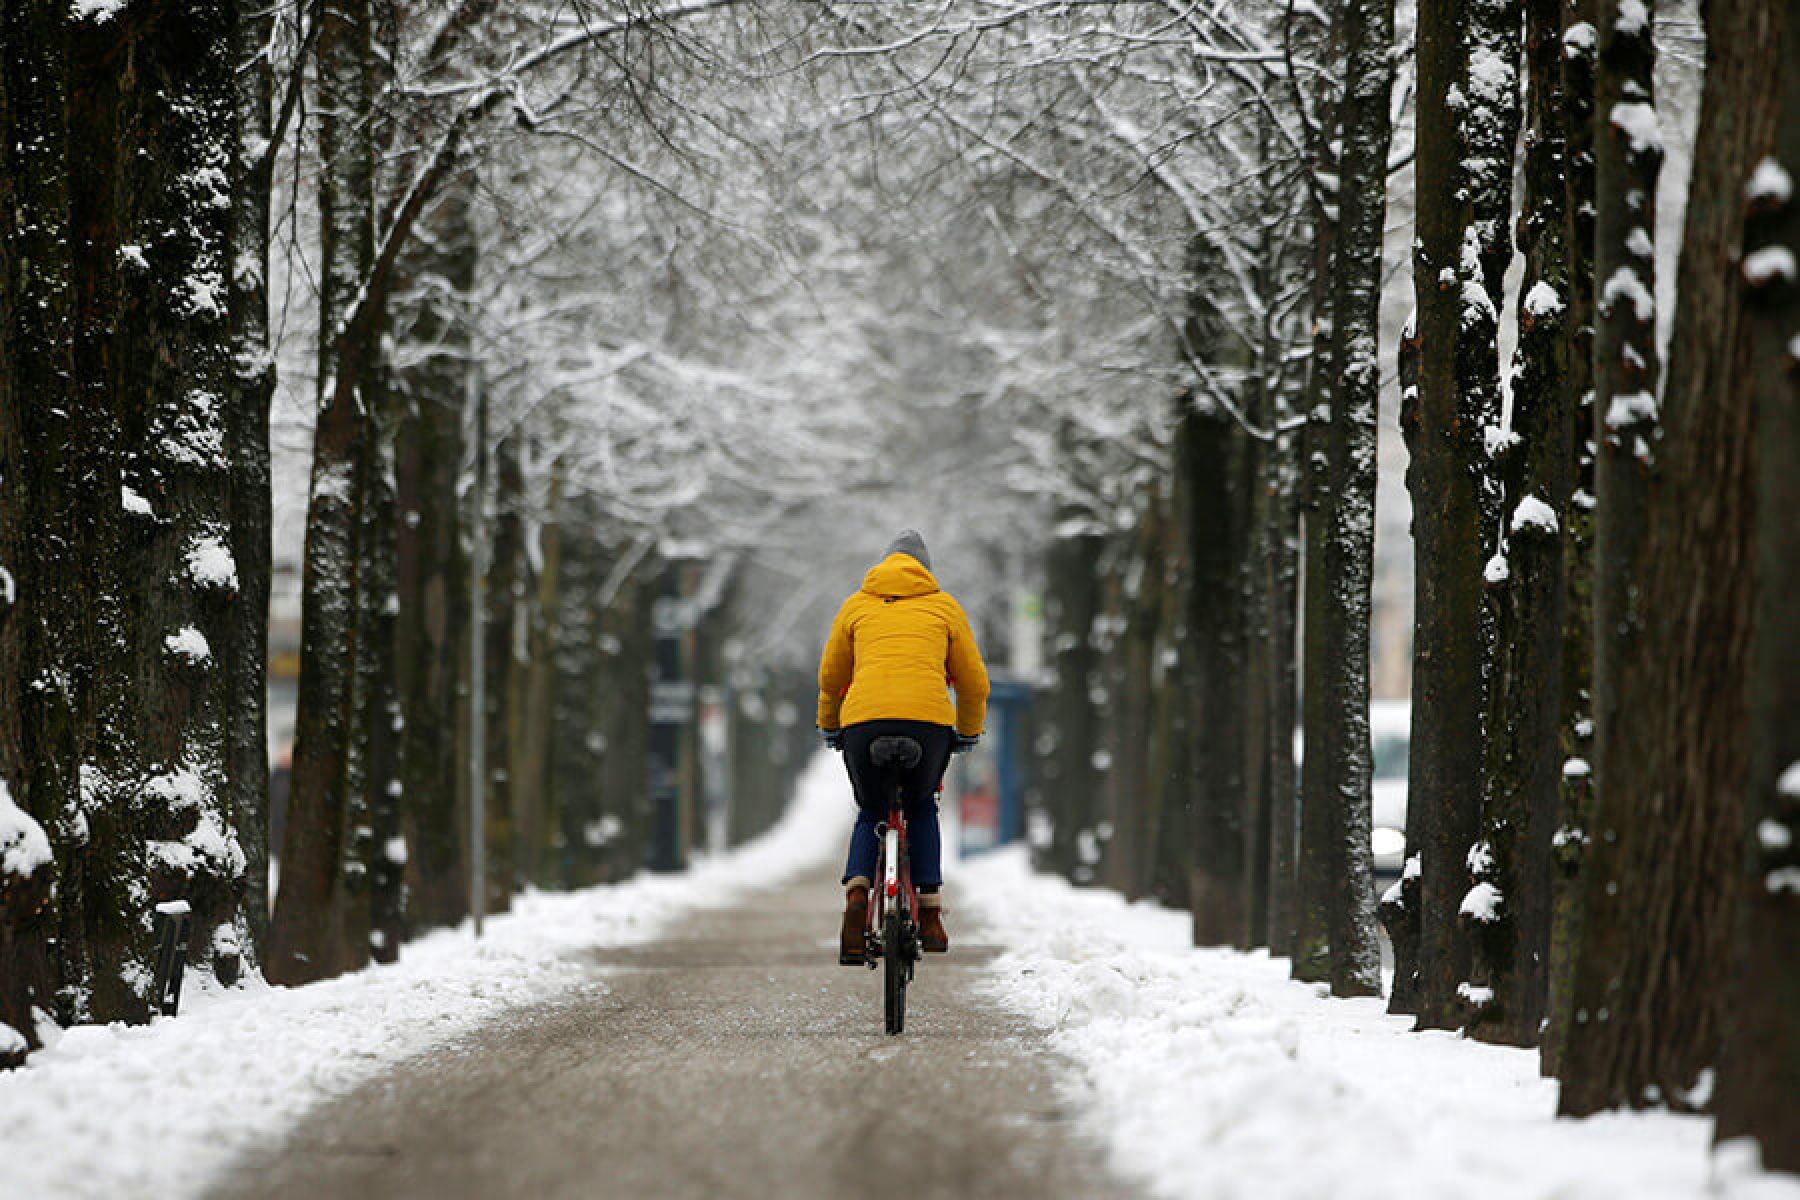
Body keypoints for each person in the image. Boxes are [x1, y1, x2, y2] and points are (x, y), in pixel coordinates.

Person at [817, 529, 988, 964]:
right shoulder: (944, 607)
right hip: (927, 725)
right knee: (922, 805)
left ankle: (857, 895)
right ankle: (930, 913)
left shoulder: (856, 605)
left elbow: (832, 678)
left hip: (864, 724)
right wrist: (967, 731)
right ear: (925, 571)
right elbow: (973, 682)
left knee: (871, 809)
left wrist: (830, 726)